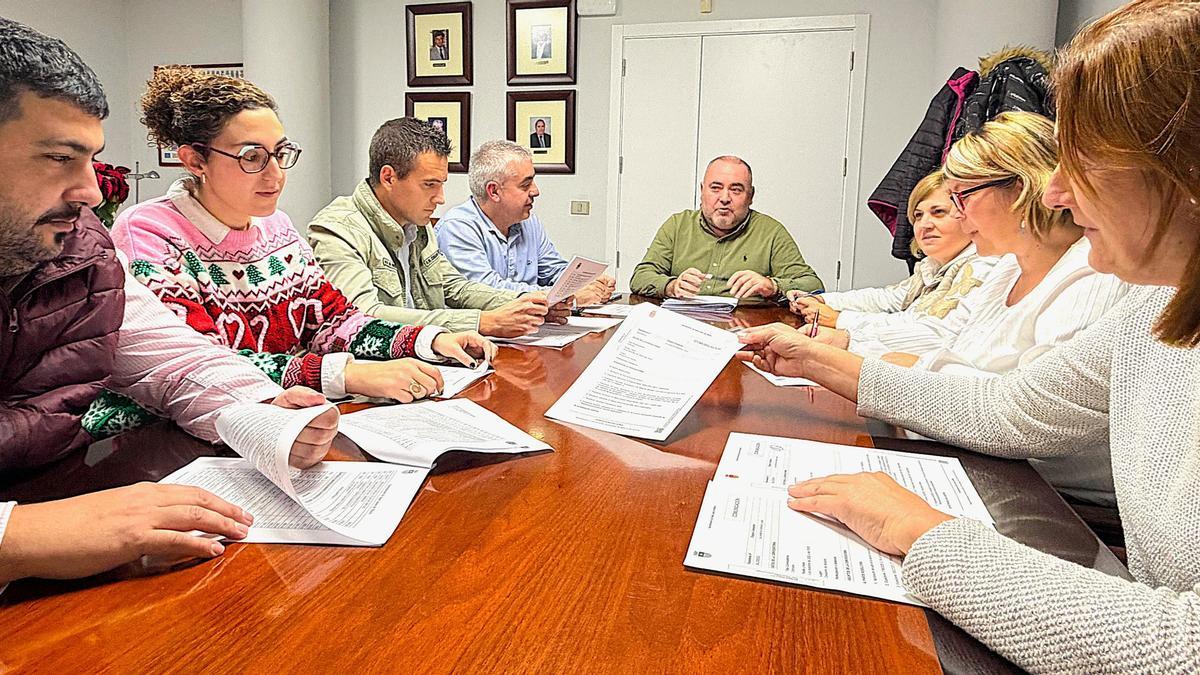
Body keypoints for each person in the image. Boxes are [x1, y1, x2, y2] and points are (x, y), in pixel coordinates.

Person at [738, 1, 1200, 669]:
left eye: (1086, 157)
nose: (1058, 191)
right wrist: (827, 364)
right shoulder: (1150, 302)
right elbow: (1010, 406)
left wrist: (923, 533)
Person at [0, 18, 338, 589]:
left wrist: (257, 411)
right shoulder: (142, 229)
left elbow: (169, 357)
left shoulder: (78, 248)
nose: (91, 191)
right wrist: (18, 537)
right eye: (59, 158)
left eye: (91, 160)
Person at [86, 68, 496, 437]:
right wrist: (348, 375)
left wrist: (428, 340)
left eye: (280, 154)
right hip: (175, 438)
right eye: (252, 157)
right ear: (196, 160)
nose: (275, 174)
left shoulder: (275, 226)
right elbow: (204, 368)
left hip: (284, 417)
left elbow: (334, 321)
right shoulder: (149, 231)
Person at [758, 112, 1131, 504]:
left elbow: (1017, 417)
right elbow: (955, 356)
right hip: (972, 464)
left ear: (1022, 189)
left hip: (1046, 501)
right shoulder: (1007, 269)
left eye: (962, 197)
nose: (958, 213)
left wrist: (842, 353)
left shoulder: (1093, 273)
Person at [308, 117, 568, 338]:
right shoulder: (338, 230)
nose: (441, 197)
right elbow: (363, 317)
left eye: (442, 183)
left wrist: (529, 305)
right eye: (430, 185)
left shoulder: (417, 226)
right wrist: (481, 323)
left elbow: (456, 288)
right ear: (389, 177)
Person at [789, 171, 999, 332]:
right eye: (917, 216)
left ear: (968, 215)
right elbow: (888, 298)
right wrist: (824, 301)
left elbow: (927, 329)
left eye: (939, 213)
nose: (924, 224)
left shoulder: (982, 266)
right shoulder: (932, 266)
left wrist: (839, 320)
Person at [436, 140, 615, 304]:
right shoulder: (457, 227)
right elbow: (486, 292)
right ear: (494, 191)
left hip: (530, 327)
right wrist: (568, 297)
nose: (535, 191)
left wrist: (587, 282)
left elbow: (553, 270)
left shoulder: (527, 221)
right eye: (525, 185)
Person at [629, 155, 823, 302]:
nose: (724, 198)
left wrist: (772, 286)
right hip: (685, 326)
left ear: (751, 196)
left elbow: (813, 285)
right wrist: (671, 286)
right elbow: (640, 277)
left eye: (736, 190)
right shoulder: (677, 225)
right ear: (702, 191)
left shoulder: (771, 232)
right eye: (715, 188)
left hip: (746, 331)